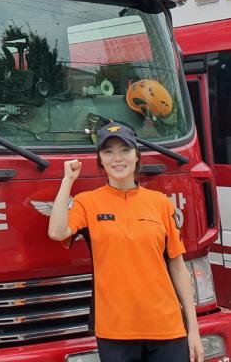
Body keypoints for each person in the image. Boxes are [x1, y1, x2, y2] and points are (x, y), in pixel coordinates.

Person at [48, 122, 204, 362]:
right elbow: (57, 232)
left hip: (167, 327)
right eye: (108, 152)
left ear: (137, 156)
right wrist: (67, 180)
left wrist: (193, 330)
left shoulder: (160, 203)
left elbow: (177, 266)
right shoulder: (87, 203)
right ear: (100, 160)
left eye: (125, 150)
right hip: (116, 330)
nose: (117, 158)